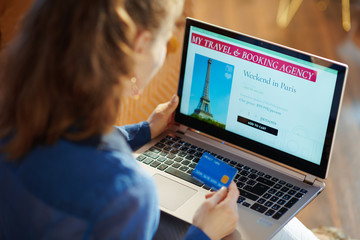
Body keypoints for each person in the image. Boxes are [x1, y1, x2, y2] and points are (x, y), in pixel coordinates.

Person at [0, 0, 240, 239]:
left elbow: (71, 143)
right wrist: (204, 232)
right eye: (167, 38)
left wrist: (145, 130)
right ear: (141, 44)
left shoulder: (14, 117)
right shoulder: (127, 195)